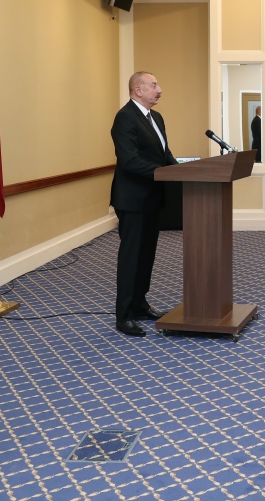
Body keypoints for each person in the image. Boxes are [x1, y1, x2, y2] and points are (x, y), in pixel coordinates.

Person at [110, 71, 175, 337]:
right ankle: (124, 315)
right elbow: (129, 161)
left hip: (152, 198)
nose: (159, 90)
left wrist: (182, 171)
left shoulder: (156, 117)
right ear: (138, 90)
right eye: (153, 85)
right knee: (131, 257)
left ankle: (139, 304)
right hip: (132, 199)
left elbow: (164, 154)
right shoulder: (125, 117)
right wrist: (165, 173)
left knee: (147, 255)